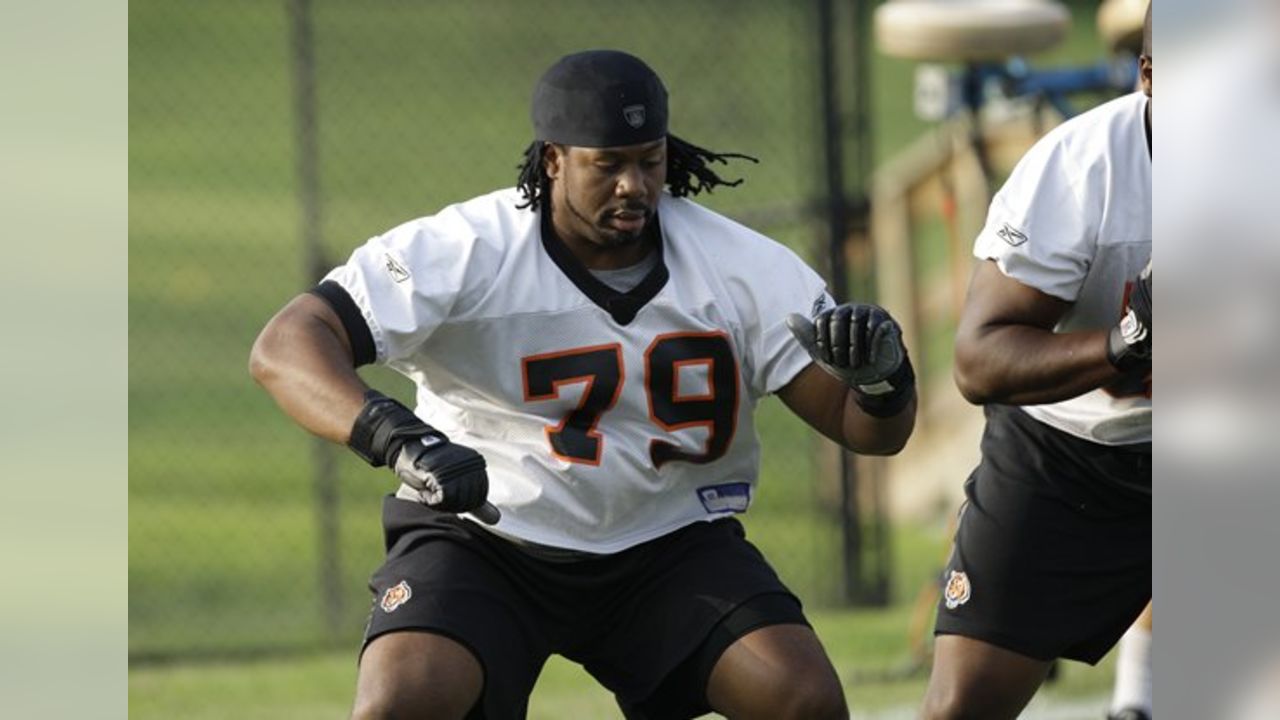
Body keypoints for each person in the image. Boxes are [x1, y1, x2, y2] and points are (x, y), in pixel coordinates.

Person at [250, 49, 918, 720]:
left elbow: (867, 432)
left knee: (803, 699)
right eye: (608, 164)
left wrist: (882, 384)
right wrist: (402, 441)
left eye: (649, 161)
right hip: (488, 536)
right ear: (552, 160)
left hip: (666, 544)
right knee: (401, 702)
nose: (634, 186)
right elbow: (287, 345)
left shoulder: (739, 266)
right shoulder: (469, 249)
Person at [920, 4, 1152, 718]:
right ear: (1150, 76)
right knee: (965, 705)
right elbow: (980, 360)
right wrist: (1122, 346)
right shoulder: (1083, 165)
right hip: (1068, 454)